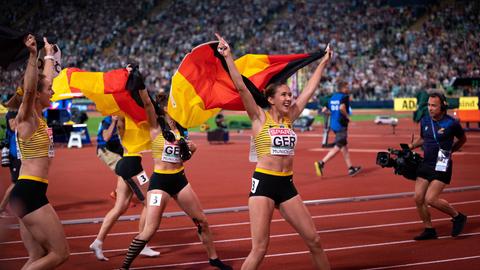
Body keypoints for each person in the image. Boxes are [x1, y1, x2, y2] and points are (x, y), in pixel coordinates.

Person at [217, 33, 331, 270]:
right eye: (284, 95)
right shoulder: (259, 117)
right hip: (264, 184)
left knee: (315, 241)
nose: (289, 98)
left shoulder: (291, 117)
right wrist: (228, 56)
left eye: (290, 94)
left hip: (287, 185)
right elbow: (241, 86)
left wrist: (322, 63)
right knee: (259, 249)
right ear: (270, 99)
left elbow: (309, 90)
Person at [119, 81, 231, 270]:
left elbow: (183, 157)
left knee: (201, 220)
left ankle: (213, 258)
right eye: (171, 105)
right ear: (163, 109)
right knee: (150, 229)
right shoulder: (155, 128)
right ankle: (125, 267)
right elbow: (147, 103)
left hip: (179, 180)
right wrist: (140, 83)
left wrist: (189, 151)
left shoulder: (180, 131)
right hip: (160, 182)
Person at [8, 34, 69, 269]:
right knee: (59, 254)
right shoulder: (26, 117)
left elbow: (45, 81)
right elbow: (33, 86)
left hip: (29, 191)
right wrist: (34, 55)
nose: (53, 92)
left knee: (37, 257)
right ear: (36, 95)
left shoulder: (39, 117)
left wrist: (50, 54)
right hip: (29, 192)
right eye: (50, 90)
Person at [89, 115, 159, 261]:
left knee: (120, 207)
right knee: (150, 202)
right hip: (132, 166)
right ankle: (142, 244)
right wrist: (115, 120)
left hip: (128, 164)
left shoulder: (134, 119)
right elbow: (107, 136)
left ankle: (98, 242)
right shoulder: (121, 119)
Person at [408, 92, 467, 240]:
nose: (430, 108)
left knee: (431, 199)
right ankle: (429, 229)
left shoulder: (451, 123)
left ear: (442, 106)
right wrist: (411, 146)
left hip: (442, 162)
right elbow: (423, 138)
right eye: (428, 105)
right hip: (426, 162)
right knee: (418, 198)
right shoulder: (425, 120)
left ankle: (458, 216)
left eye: (434, 105)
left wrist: (451, 151)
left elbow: (462, 139)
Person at [314, 80, 361, 177]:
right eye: (347, 87)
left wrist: (333, 114)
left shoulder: (332, 97)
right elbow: (341, 108)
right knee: (339, 145)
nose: (348, 89)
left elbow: (324, 110)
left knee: (344, 146)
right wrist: (347, 116)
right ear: (343, 88)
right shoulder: (344, 97)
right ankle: (321, 162)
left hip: (334, 124)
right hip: (341, 124)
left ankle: (350, 168)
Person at [0, 110, 21, 218]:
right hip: (15, 154)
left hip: (21, 153)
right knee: (16, 183)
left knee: (24, 181)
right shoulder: (13, 112)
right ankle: (1, 208)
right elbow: (13, 127)